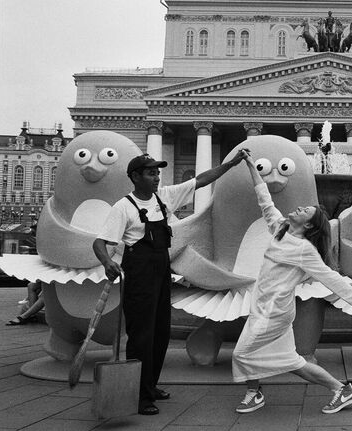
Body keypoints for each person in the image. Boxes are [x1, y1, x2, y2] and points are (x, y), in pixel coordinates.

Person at [93, 150, 248, 415]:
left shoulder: (162, 197)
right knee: (141, 337)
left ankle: (150, 386)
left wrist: (231, 164)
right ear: (135, 177)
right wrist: (108, 262)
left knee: (160, 333)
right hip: (139, 276)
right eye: (151, 173)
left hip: (161, 272)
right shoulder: (124, 207)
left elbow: (201, 180)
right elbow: (99, 243)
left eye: (157, 173)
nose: (156, 178)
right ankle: (139, 397)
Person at [232, 153, 352, 416]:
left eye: (304, 211)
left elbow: (329, 276)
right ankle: (256, 392)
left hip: (275, 313)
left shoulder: (304, 250)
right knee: (285, 359)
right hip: (262, 306)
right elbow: (264, 199)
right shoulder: (280, 229)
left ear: (308, 224)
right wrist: (251, 166)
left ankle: (337, 389)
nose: (298, 209)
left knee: (243, 353)